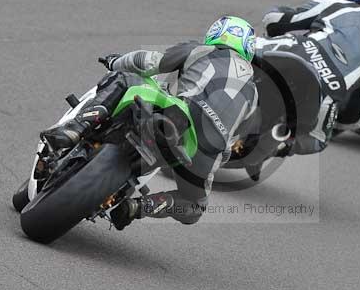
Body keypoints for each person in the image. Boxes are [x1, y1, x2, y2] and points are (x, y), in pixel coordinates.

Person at [42, 16, 258, 230]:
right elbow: (230, 146)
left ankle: (75, 129)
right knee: (193, 206)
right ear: (248, 48)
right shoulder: (253, 94)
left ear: (216, 33)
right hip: (208, 148)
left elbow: (148, 62)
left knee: (126, 77)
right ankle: (140, 206)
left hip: (180, 112)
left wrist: (114, 62)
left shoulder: (200, 50)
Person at [255, 0, 360, 154]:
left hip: (295, 53)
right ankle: (278, 143)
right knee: (315, 141)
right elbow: (357, 115)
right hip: (323, 95)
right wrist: (336, 113)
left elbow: (276, 20)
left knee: (238, 46)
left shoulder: (337, 4)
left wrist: (273, 20)